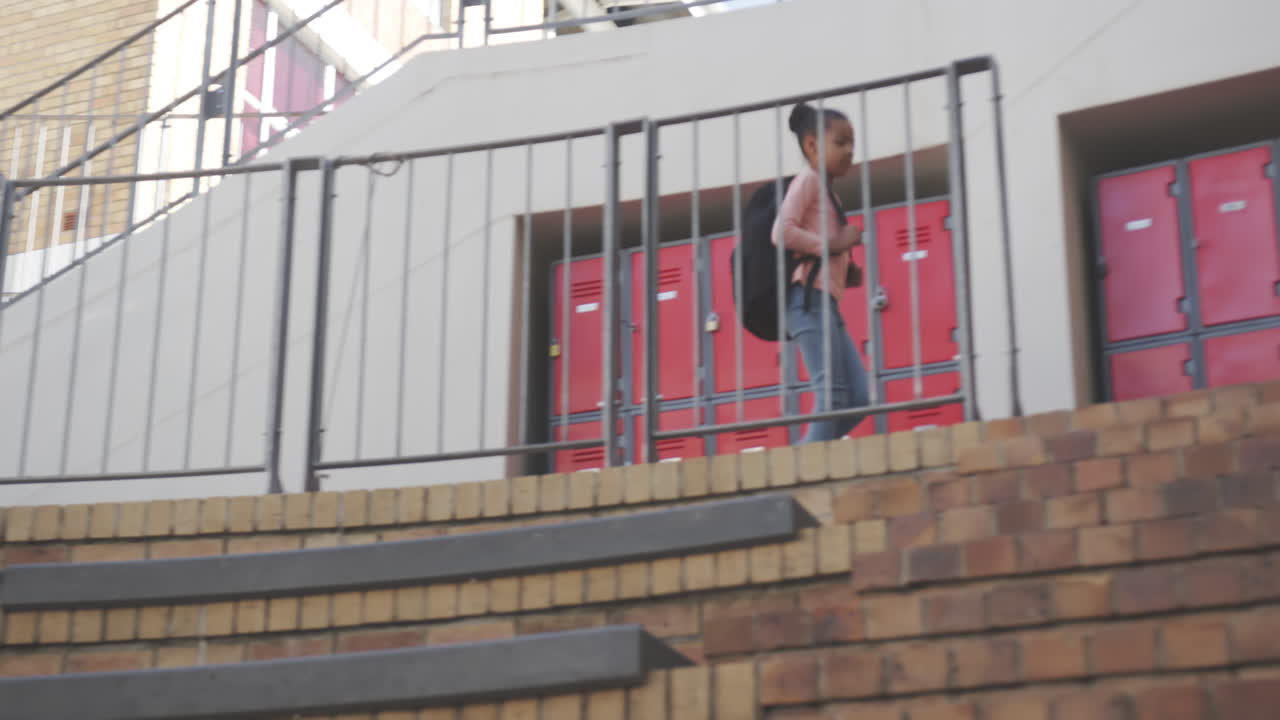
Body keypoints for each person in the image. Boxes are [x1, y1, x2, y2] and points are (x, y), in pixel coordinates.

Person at [771, 102, 870, 443]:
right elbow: (781, 232)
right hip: (807, 301)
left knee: (858, 399)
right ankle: (803, 467)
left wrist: (846, 269)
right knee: (831, 397)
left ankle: (807, 456)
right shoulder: (809, 180)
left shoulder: (829, 195)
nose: (849, 151)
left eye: (852, 143)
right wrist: (834, 244)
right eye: (841, 142)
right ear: (812, 146)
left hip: (826, 303)